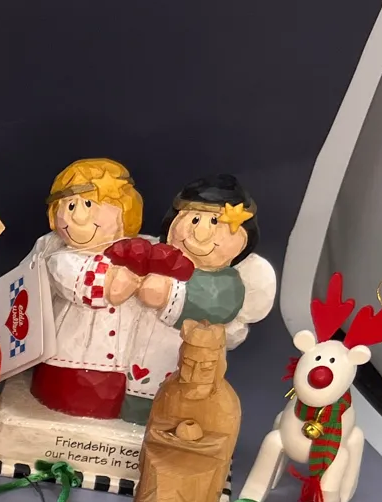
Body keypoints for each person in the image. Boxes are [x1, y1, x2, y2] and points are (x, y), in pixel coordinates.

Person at [119, 175, 275, 423]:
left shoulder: (226, 282)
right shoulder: (155, 254)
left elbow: (215, 305)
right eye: (194, 219)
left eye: (215, 222)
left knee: (163, 404)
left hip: (174, 361)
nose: (200, 234)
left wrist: (167, 293)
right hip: (128, 357)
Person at [29, 158, 148, 420]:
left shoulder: (137, 248)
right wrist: (125, 279)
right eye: (70, 205)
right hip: (70, 358)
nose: (79, 216)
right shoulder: (61, 258)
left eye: (91, 204)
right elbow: (98, 286)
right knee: (70, 398)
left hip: (124, 363)